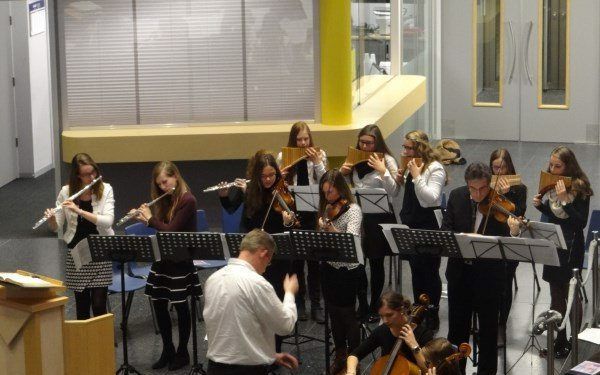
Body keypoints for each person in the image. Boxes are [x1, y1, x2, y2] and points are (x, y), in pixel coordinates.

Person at [219, 151, 296, 353]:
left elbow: (288, 223)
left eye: (272, 175)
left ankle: (275, 351)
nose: (269, 179)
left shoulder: (283, 191)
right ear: (256, 175)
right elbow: (232, 208)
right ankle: (256, 348)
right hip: (254, 255)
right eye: (264, 176)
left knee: (275, 302)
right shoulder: (251, 188)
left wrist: (288, 222)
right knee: (253, 303)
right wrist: (224, 195)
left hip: (277, 256)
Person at [133, 161, 201, 371]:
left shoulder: (187, 200)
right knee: (159, 303)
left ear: (175, 177)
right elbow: (162, 229)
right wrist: (147, 218)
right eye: (160, 184)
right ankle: (168, 349)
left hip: (180, 261)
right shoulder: (165, 200)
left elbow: (170, 230)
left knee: (181, 306)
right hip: (164, 259)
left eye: (166, 181)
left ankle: (182, 352)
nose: (163, 187)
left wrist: (150, 220)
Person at [442, 162, 508, 375]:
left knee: (488, 332)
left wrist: (512, 230)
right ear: (467, 185)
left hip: (488, 278)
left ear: (490, 185)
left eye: (482, 189)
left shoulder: (500, 203)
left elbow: (505, 240)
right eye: (473, 188)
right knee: (456, 331)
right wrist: (462, 239)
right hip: (460, 275)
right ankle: (456, 371)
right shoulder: (456, 196)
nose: (478, 194)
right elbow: (446, 229)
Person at [203, 229, 299, 375]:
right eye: (270, 260)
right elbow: (285, 326)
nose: (267, 266)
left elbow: (237, 329)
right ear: (263, 253)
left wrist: (269, 355)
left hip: (215, 368)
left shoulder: (213, 279)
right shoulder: (257, 283)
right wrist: (290, 293)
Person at [531, 146, 592, 358]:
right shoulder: (553, 184)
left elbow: (579, 223)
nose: (553, 169)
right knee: (555, 293)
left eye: (558, 166)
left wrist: (565, 198)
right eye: (551, 165)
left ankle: (576, 343)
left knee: (571, 293)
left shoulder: (580, 187)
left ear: (568, 166)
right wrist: (542, 207)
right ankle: (560, 340)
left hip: (572, 244)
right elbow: (557, 218)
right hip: (554, 242)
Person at [340, 124, 399, 322]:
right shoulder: (353, 158)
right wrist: (343, 172)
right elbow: (342, 188)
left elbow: (394, 192)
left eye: (369, 143)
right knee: (358, 262)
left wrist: (383, 171)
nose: (364, 147)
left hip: (379, 218)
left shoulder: (388, 160)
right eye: (362, 142)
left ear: (377, 143)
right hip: (358, 216)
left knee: (376, 262)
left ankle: (375, 304)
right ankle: (362, 304)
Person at [45, 153, 114, 320]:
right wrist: (52, 219)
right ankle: (83, 345)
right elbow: (57, 228)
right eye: (86, 174)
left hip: (100, 251)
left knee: (99, 306)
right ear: (77, 175)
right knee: (82, 306)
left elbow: (108, 221)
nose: (92, 177)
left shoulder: (106, 189)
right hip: (76, 252)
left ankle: (100, 343)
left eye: (93, 172)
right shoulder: (66, 192)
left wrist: (80, 210)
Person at [277, 121, 327, 323]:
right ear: (293, 140)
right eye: (299, 139)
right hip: (293, 210)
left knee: (314, 261)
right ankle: (299, 303)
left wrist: (317, 163)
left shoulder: (319, 155)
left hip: (313, 212)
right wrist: (283, 175)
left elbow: (326, 182)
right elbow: (279, 186)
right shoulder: (284, 156)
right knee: (296, 260)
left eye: (306, 138)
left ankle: (316, 304)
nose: (303, 143)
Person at [396, 130, 446, 331]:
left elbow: (430, 199)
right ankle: (419, 308)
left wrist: (416, 177)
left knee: (430, 270)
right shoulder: (410, 166)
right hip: (411, 222)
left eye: (409, 148)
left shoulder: (435, 168)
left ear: (419, 148)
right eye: (404, 147)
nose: (405, 151)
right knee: (416, 269)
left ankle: (433, 310)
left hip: (428, 224)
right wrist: (401, 177)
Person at [317, 169, 364, 374]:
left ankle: (354, 357)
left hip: (348, 269)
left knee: (347, 315)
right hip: (329, 267)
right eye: (325, 192)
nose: (328, 197)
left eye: (331, 192)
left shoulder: (353, 209)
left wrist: (331, 230)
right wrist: (320, 229)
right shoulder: (326, 207)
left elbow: (352, 239)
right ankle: (340, 353)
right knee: (334, 313)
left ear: (341, 190)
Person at [345, 291, 434, 375]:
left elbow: (428, 370)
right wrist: (351, 372)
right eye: (381, 316)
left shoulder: (424, 335)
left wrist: (414, 346)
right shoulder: (383, 331)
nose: (385, 321)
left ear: (402, 310)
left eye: (389, 315)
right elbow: (354, 355)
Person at [488, 148, 527, 328]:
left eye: (502, 168)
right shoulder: (486, 185)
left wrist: (507, 194)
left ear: (509, 167)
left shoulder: (519, 189)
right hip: (489, 236)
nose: (498, 172)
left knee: (505, 281)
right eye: (495, 168)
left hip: (510, 236)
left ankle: (501, 322)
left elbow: (519, 214)